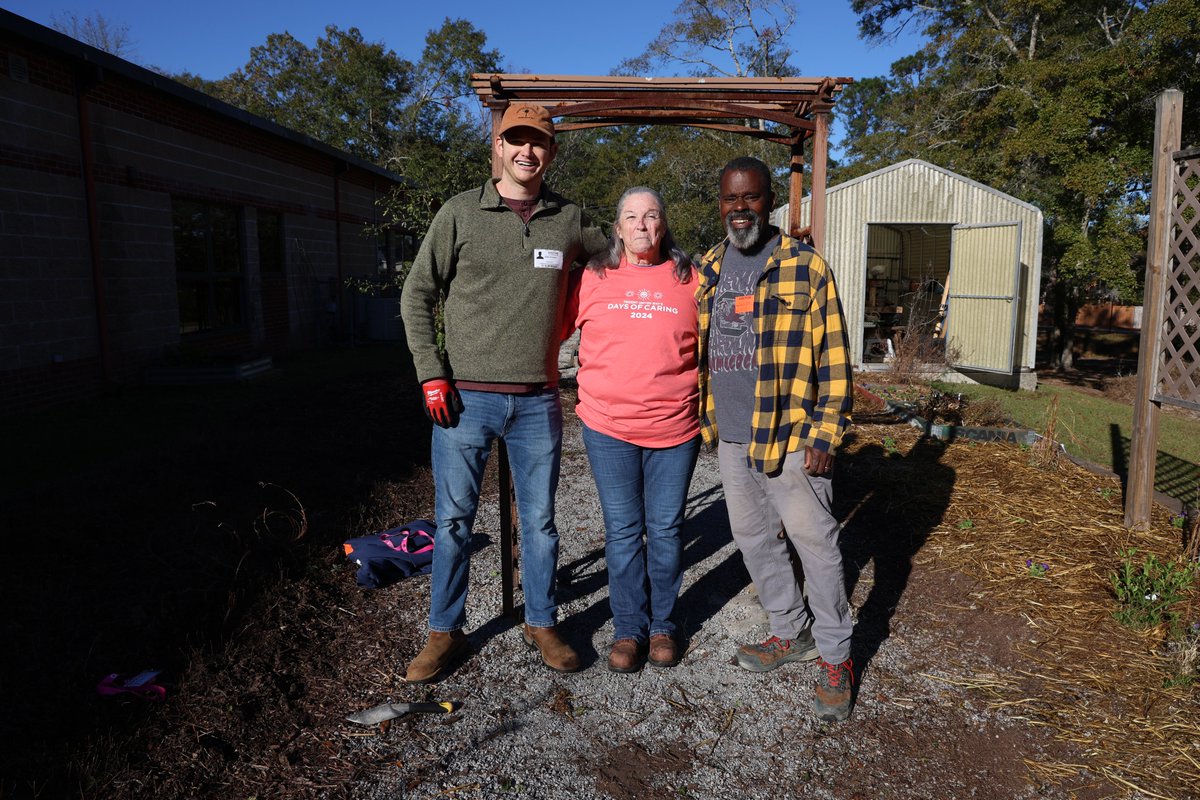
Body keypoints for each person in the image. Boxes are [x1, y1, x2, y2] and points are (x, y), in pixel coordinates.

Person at [399, 103, 608, 683]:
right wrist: (430, 371)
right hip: (464, 399)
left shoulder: (568, 218)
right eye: (515, 140)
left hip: (538, 399)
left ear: (550, 152)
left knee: (540, 521)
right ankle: (444, 632)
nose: (526, 152)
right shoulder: (461, 213)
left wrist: (674, 269)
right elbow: (417, 293)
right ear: (495, 145)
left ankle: (542, 622)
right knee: (453, 521)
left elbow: (613, 263)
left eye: (538, 143)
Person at [696, 156, 856, 721]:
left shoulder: (806, 268)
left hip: (791, 437)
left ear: (770, 202)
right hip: (735, 439)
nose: (740, 209)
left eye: (751, 198)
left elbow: (835, 361)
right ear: (720, 204)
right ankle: (789, 632)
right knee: (755, 542)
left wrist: (826, 433)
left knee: (817, 547)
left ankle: (836, 655)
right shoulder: (710, 267)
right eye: (730, 199)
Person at [564, 187, 700, 673]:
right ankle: (628, 629)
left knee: (664, 531)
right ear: (617, 228)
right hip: (609, 427)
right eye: (631, 217)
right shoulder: (593, 278)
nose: (642, 224)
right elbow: (548, 328)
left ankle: (663, 625)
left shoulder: (693, 280)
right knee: (623, 532)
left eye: (651, 215)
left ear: (664, 225)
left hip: (675, 428)